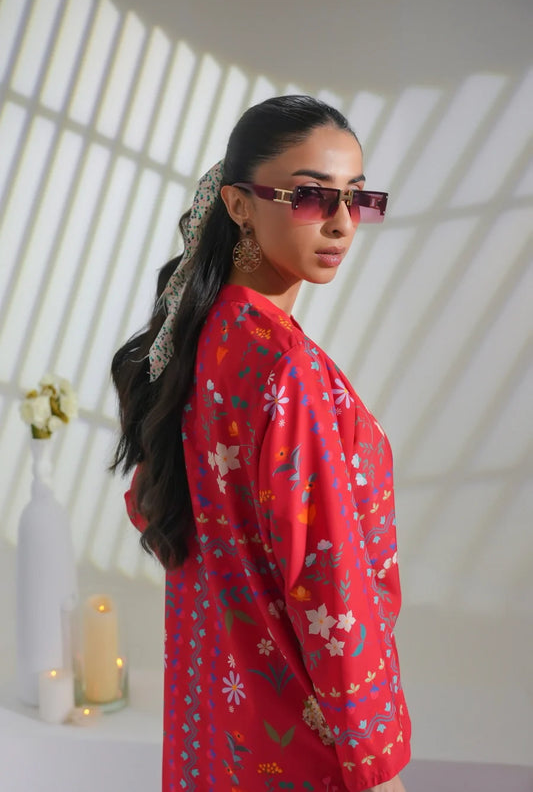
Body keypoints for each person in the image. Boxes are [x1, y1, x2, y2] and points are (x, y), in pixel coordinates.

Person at [111, 95, 411, 792]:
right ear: (239, 205)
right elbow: (328, 581)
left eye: (356, 198)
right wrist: (376, 764)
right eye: (310, 196)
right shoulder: (285, 368)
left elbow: (155, 504)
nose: (341, 222)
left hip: (215, 718)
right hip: (299, 732)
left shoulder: (198, 337)